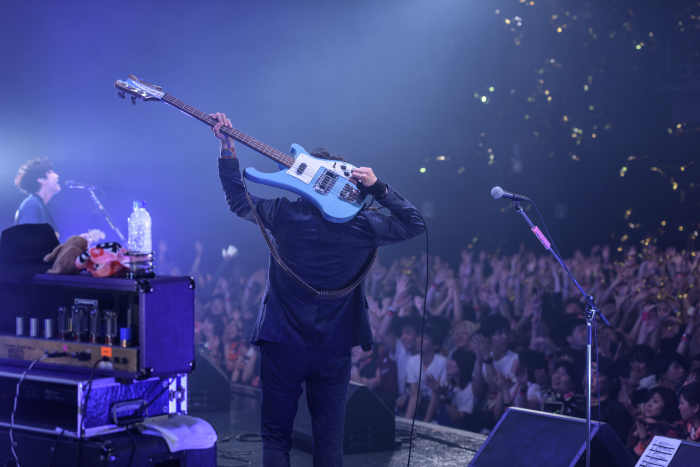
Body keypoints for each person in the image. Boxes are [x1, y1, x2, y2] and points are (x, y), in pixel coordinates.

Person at [211, 112, 425, 466]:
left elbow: (238, 202)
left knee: (277, 437)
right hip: (334, 346)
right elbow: (413, 223)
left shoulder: (283, 214)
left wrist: (227, 150)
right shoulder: (365, 226)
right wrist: (378, 188)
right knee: (328, 439)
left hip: (282, 342)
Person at [14, 158, 61, 235]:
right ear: (42, 180)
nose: (56, 176)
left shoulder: (39, 205)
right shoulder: (31, 204)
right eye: (50, 172)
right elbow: (31, 239)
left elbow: (49, 244)